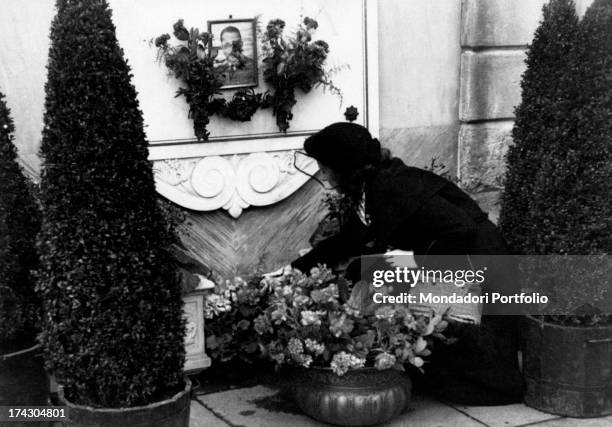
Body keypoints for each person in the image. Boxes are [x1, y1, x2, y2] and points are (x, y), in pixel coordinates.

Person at [290, 122, 524, 405]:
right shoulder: (371, 189)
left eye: (325, 168)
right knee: (361, 269)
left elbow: (463, 230)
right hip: (456, 257)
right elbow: (348, 240)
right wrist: (293, 270)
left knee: (481, 371)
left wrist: (410, 262)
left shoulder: (393, 186)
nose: (323, 175)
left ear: (344, 167)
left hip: (482, 264)